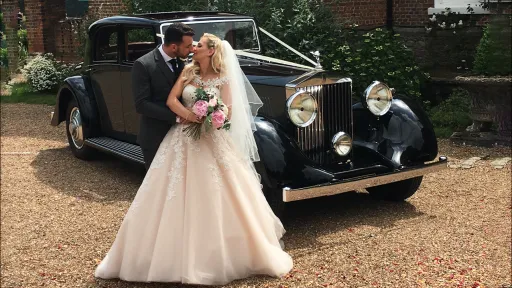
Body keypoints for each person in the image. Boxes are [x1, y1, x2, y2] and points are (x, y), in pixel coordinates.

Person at [94, 33, 293, 285]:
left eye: (198, 45)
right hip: (181, 137)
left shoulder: (224, 77)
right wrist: (189, 115)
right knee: (167, 191)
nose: (194, 47)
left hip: (212, 140)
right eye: (193, 44)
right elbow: (171, 100)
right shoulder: (188, 71)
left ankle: (225, 253)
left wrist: (214, 117)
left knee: (220, 193)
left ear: (211, 51)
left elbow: (229, 110)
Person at [132, 22, 195, 170]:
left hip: (182, 137)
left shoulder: (183, 64)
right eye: (187, 46)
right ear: (174, 46)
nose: (191, 49)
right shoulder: (143, 65)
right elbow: (142, 104)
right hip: (155, 136)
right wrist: (177, 117)